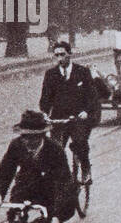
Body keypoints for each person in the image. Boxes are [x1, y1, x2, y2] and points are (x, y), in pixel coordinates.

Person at [39, 40, 101, 180]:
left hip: (78, 118)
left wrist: (86, 111)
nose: (60, 59)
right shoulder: (51, 74)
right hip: (58, 118)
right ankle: (59, 175)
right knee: (55, 148)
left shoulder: (82, 72)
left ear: (69, 54)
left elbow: (92, 96)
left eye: (62, 54)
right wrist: (44, 113)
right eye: (57, 55)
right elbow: (45, 98)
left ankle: (85, 169)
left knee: (80, 142)